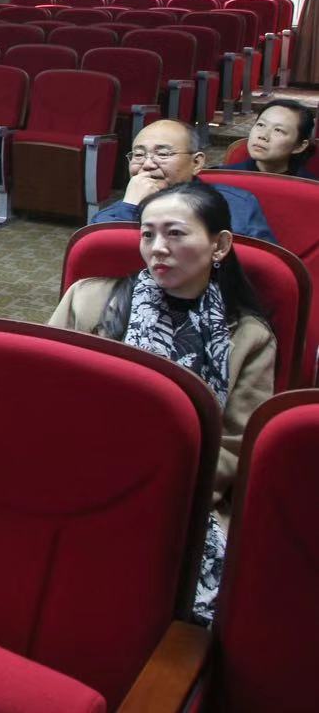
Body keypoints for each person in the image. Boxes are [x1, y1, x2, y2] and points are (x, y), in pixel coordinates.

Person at [49, 181, 274, 623]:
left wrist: (158, 490)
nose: (157, 249)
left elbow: (234, 444)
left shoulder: (249, 336)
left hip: (183, 495)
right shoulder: (89, 299)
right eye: (147, 234)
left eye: (175, 234)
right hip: (79, 471)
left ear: (219, 245)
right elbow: (48, 397)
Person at [93, 119, 275, 240]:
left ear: (196, 162)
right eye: (139, 155)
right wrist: (130, 208)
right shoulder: (111, 216)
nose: (147, 164)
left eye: (163, 154)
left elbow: (264, 271)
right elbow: (109, 259)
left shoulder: (237, 205)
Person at [221, 100, 316, 179]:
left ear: (299, 146)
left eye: (278, 130)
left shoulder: (311, 188)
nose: (263, 136)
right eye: (261, 125)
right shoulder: (223, 178)